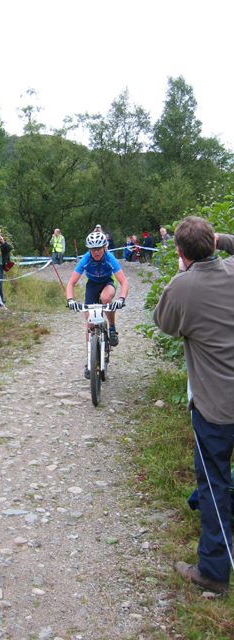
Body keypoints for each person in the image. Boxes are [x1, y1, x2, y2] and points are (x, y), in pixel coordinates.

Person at [153, 216, 234, 595]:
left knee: (214, 484)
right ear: (215, 244)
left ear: (180, 252)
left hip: (215, 406)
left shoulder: (182, 287)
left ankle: (214, 571)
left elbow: (164, 323)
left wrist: (182, 272)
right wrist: (219, 241)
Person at [66, 231, 129, 379]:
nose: (96, 252)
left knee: (106, 298)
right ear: (89, 249)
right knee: (90, 323)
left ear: (104, 247)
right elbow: (71, 283)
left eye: (99, 248)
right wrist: (70, 300)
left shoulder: (110, 258)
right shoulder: (86, 259)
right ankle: (90, 360)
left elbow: (123, 282)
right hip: (92, 285)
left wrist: (121, 299)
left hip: (108, 282)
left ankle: (112, 328)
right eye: (92, 249)